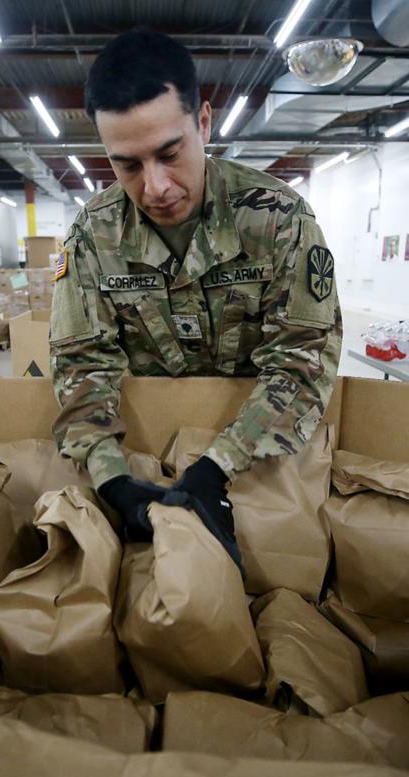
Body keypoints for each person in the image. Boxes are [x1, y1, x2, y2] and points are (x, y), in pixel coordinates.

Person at [49, 30, 341, 561]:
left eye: (169, 153)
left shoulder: (277, 219)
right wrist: (112, 479)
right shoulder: (94, 233)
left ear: (204, 121)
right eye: (128, 165)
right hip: (144, 462)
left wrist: (217, 467)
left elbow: (303, 360)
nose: (155, 187)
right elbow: (79, 363)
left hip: (261, 458)